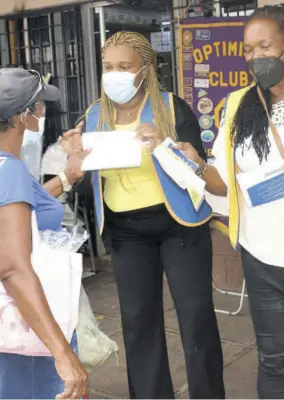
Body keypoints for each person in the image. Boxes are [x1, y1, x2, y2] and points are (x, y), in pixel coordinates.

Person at [66, 31, 225, 399]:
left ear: (144, 70)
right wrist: (73, 158)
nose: (115, 74)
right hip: (126, 233)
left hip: (179, 227)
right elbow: (86, 184)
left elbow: (197, 169)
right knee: (139, 325)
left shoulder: (170, 108)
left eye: (124, 66)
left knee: (196, 319)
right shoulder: (93, 115)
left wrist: (165, 145)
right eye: (108, 67)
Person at [175, 5, 284, 399]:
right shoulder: (238, 105)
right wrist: (194, 163)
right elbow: (221, 184)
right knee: (274, 361)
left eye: (265, 46)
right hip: (261, 256)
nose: (256, 56)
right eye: (249, 49)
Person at [0, 67, 87, 399]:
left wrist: (67, 176)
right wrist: (62, 354)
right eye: (39, 106)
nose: (43, 113)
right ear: (24, 117)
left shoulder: (9, 168)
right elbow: (12, 268)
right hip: (25, 331)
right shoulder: (9, 171)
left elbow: (21, 207)